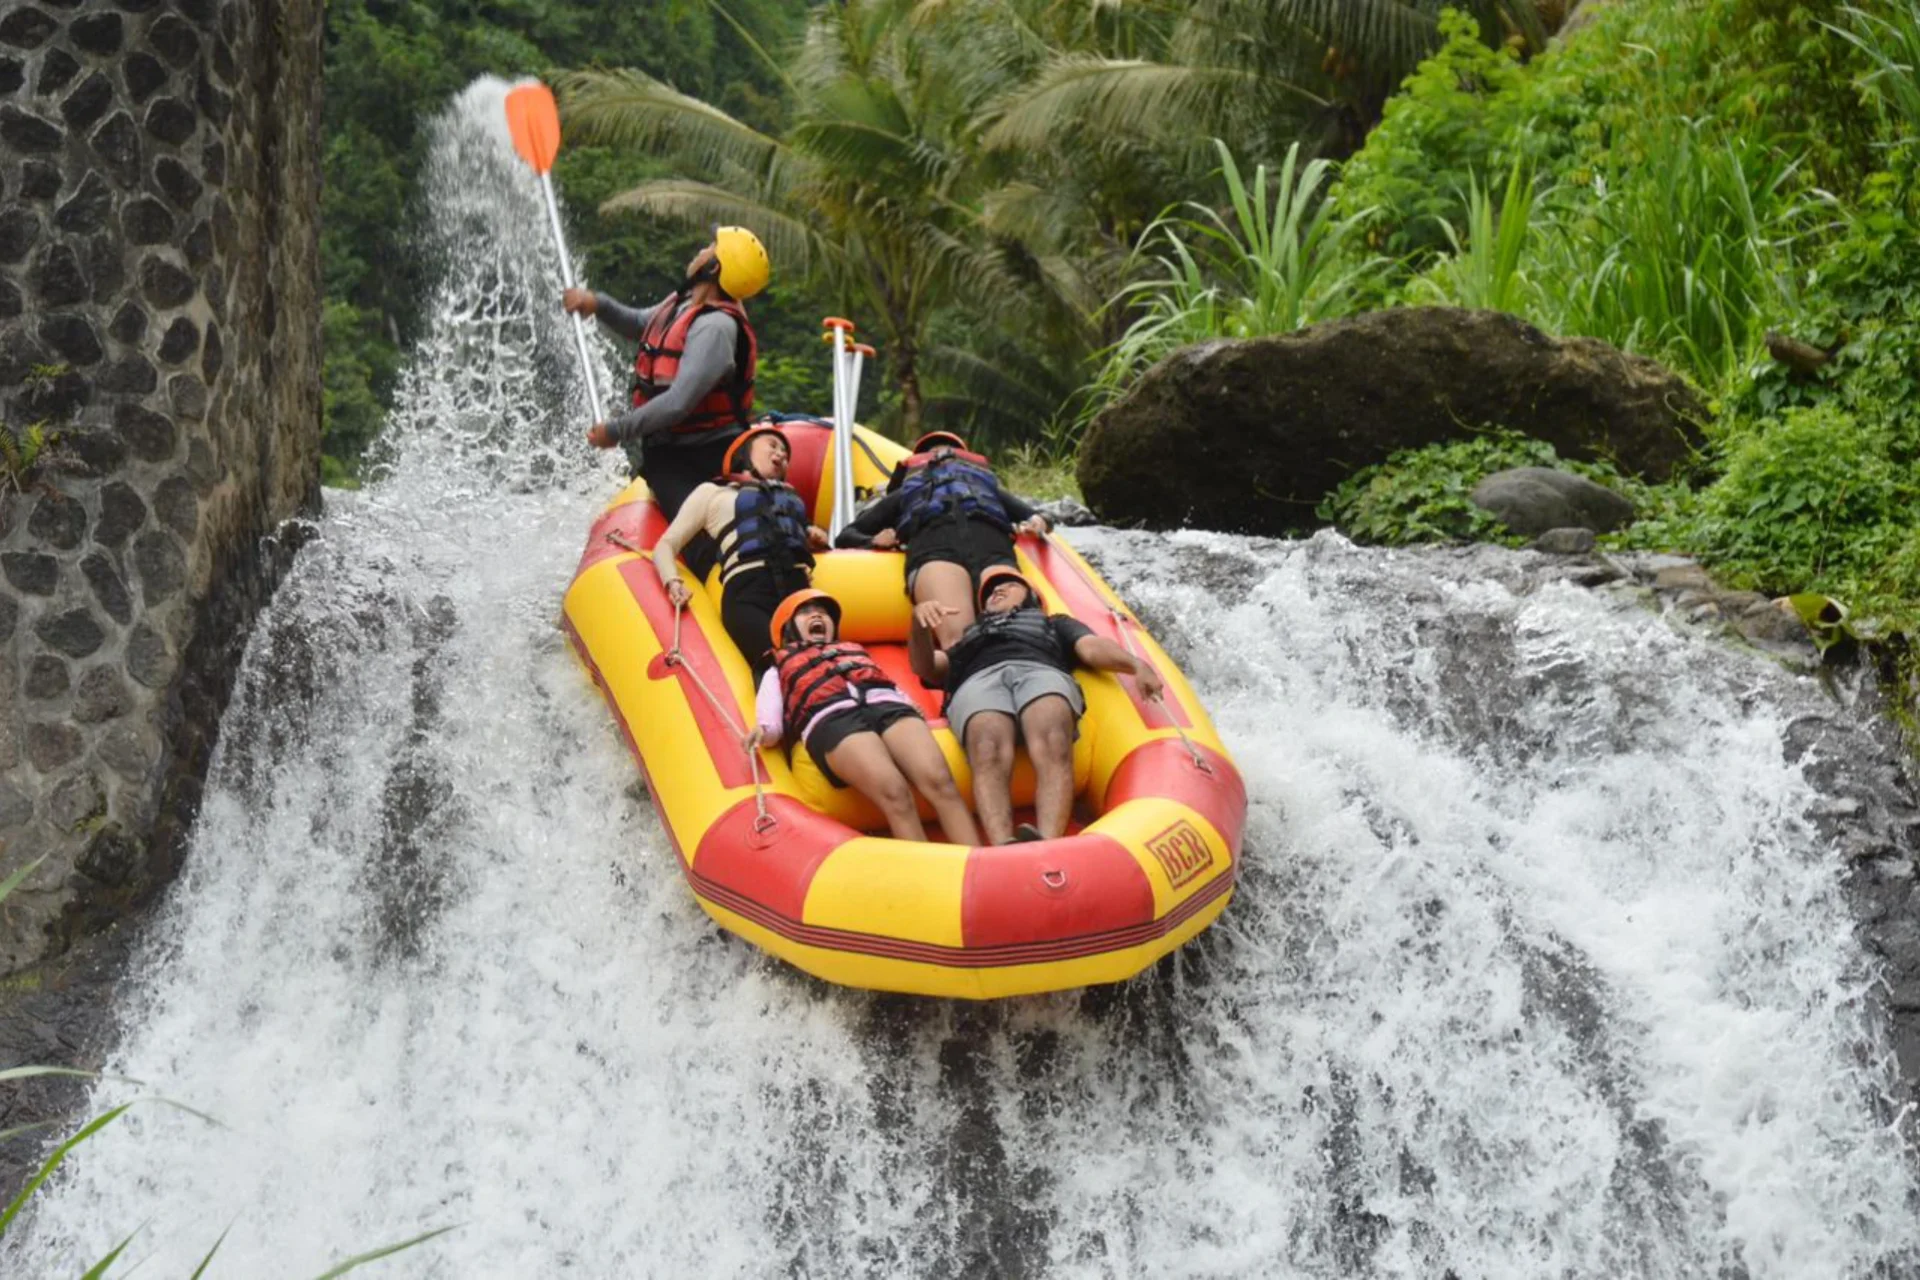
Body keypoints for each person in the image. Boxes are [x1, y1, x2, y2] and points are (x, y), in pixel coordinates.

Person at [909, 567, 1163, 845]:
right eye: (992, 591)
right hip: (979, 679)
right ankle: (1002, 844)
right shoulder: (970, 635)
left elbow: (1091, 648)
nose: (997, 591)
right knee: (986, 742)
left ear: (1033, 598)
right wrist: (919, 627)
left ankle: (1049, 841)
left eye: (1008, 585)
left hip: (1039, 669)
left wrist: (1135, 665)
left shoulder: (1055, 623)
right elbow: (928, 668)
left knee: (1052, 730)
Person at [565, 225, 770, 528]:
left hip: (700, 461)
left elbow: (678, 403)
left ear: (713, 268)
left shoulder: (716, 328)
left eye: (710, 247)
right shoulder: (686, 304)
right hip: (672, 452)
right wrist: (597, 304)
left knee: (697, 536)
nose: (701, 251)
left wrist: (617, 431)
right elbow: (639, 324)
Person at [754, 590, 982, 846]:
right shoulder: (778, 667)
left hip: (887, 706)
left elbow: (886, 684)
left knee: (941, 782)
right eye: (806, 612)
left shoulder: (853, 651)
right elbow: (770, 718)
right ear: (788, 628)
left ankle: (979, 862)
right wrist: (764, 732)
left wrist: (909, 705)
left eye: (823, 612)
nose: (817, 614)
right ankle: (927, 877)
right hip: (832, 717)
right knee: (895, 793)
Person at [833, 432, 1050, 649]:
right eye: (933, 450)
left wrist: (1037, 524)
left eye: (948, 448)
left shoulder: (986, 488)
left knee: (1018, 632)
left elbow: (1037, 517)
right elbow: (846, 536)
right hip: (935, 552)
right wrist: (873, 542)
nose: (941, 453)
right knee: (960, 643)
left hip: (991, 549)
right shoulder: (906, 492)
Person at [653, 424, 828, 674]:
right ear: (745, 452)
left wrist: (812, 537)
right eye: (772, 445)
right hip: (748, 595)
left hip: (797, 593)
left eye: (786, 453)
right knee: (782, 668)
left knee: (824, 670)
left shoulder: (790, 503)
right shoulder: (712, 494)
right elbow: (665, 546)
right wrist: (673, 582)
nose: (781, 454)